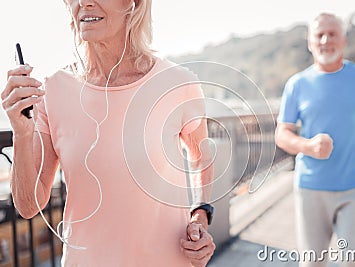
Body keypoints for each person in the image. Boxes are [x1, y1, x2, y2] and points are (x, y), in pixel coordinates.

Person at [1, 0, 215, 266]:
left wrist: (201, 215)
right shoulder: (53, 91)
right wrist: (21, 133)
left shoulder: (178, 83)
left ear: (134, 4)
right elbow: (29, 205)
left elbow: (202, 158)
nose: (84, 3)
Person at [275, 13, 355, 266]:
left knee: (353, 261)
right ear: (310, 42)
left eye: (332, 34)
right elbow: (282, 134)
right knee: (312, 263)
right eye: (319, 35)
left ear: (344, 40)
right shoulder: (297, 84)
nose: (325, 40)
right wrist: (307, 146)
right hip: (311, 188)